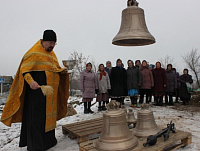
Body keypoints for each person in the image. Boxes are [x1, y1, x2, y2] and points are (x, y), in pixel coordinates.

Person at [1, 30, 70, 150]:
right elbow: (24, 70)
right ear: (43, 41)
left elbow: (54, 69)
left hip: (49, 96)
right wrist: (31, 81)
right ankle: (36, 145)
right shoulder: (33, 53)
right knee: (36, 120)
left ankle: (49, 142)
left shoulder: (52, 55)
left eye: (54, 43)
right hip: (36, 94)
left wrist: (61, 72)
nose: (52, 45)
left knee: (48, 118)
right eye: (50, 42)